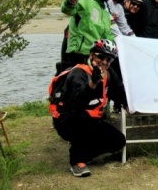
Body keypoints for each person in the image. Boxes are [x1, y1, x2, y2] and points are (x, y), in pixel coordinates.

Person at [53, 40, 127, 177]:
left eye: (109, 59)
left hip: (93, 119)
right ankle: (76, 161)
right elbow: (77, 102)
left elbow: (119, 91)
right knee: (81, 117)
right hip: (68, 120)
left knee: (118, 141)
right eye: (101, 56)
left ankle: (85, 154)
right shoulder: (78, 73)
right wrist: (92, 84)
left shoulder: (108, 72)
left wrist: (129, 105)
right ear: (92, 54)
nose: (104, 62)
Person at [61, 0, 117, 68]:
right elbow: (68, 10)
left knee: (113, 80)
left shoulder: (105, 12)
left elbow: (107, 35)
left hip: (95, 56)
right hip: (78, 54)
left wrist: (120, 45)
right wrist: (70, 2)